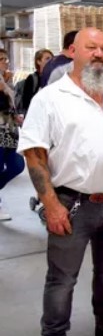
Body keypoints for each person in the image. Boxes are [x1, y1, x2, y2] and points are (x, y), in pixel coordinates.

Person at [18, 28, 103, 336]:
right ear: (72, 52)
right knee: (62, 278)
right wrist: (51, 205)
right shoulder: (51, 98)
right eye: (90, 48)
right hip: (71, 204)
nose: (98, 54)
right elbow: (35, 153)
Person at [0, 49, 25, 221]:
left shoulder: (7, 79)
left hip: (9, 129)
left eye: (6, 58)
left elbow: (12, 102)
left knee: (17, 164)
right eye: (1, 59)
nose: (5, 62)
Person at [19, 48, 53, 114]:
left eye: (52, 58)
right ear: (38, 61)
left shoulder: (54, 77)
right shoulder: (32, 78)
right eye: (47, 58)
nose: (51, 61)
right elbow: (26, 101)